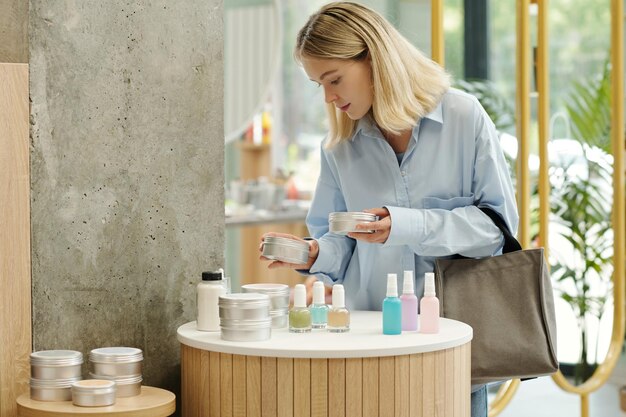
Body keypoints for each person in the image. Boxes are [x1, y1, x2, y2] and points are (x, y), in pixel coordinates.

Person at [259, 3, 518, 416]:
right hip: (368, 344)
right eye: (318, 85)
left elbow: (496, 233)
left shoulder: (463, 118)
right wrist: (314, 254)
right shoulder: (341, 148)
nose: (328, 96)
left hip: (447, 344)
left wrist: (405, 224)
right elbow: (340, 242)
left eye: (334, 79)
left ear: (374, 58)